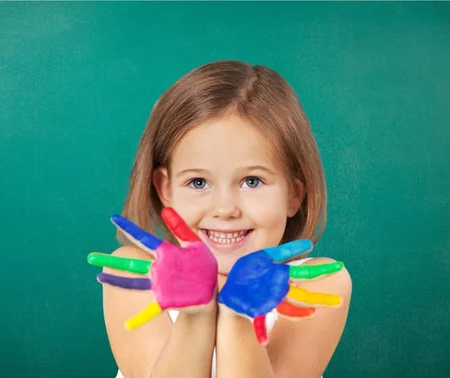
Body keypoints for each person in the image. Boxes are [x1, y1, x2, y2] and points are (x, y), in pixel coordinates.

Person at [100, 61, 352, 377]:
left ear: (294, 195)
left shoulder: (317, 284)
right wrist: (197, 314)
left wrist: (236, 317)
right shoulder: (136, 276)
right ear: (165, 190)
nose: (225, 209)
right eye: (198, 183)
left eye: (252, 181)